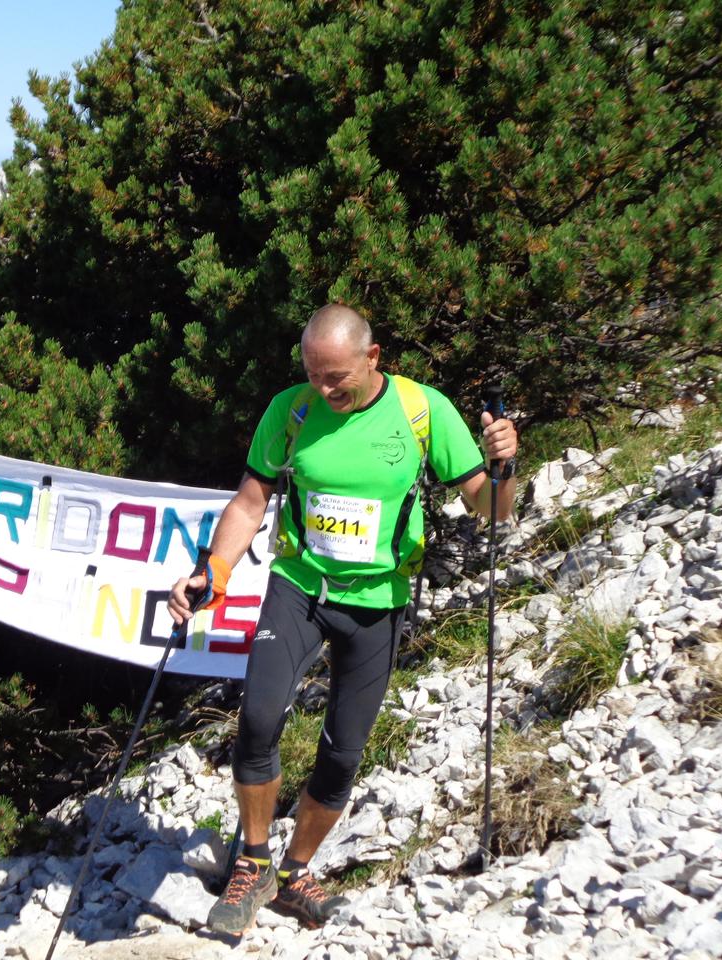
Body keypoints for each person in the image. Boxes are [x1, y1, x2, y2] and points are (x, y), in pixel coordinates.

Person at [167, 303, 518, 935]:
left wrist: (505, 466)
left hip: (378, 602)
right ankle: (253, 864)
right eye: (313, 375)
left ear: (372, 357)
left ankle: (295, 872)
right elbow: (251, 500)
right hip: (300, 587)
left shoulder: (423, 411)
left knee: (342, 753)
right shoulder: (291, 411)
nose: (324, 390)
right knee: (258, 721)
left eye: (337, 378)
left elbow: (490, 508)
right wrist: (213, 570)